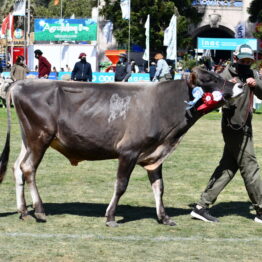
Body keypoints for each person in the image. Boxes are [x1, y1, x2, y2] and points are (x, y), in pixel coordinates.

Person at [191, 44, 262, 223]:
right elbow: (214, 99)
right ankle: (261, 210)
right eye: (243, 60)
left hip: (246, 125)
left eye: (249, 61)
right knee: (250, 167)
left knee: (228, 168)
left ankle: (201, 206)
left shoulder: (253, 74)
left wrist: (257, 85)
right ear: (235, 58)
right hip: (233, 126)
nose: (246, 63)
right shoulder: (224, 76)